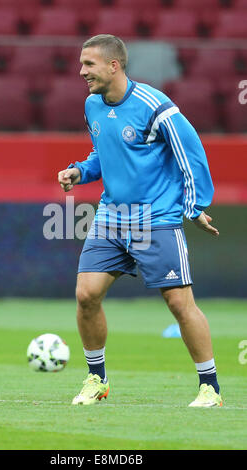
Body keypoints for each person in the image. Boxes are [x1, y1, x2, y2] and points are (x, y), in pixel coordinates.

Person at [58, 34, 222, 408]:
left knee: (180, 304)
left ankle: (210, 387)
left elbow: (191, 153)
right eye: (82, 64)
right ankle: (97, 380)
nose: (82, 71)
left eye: (89, 64)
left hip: (156, 218)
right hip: (111, 217)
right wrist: (79, 172)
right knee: (86, 295)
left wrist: (194, 206)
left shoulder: (155, 106)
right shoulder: (93, 105)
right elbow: (102, 152)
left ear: (114, 65)